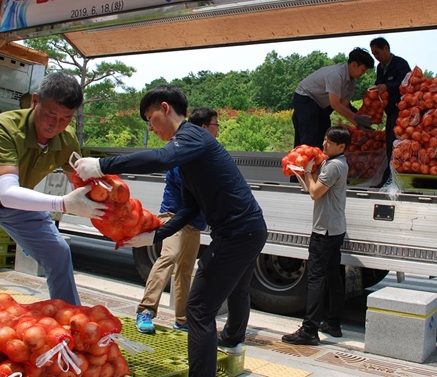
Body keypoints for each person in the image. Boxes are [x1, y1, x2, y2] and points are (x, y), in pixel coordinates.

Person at [74, 86, 267, 377]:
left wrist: (102, 165)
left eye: (150, 118)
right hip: (244, 232)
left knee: (199, 309)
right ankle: (230, 344)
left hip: (238, 234)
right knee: (217, 300)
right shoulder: (188, 156)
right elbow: (189, 209)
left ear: (165, 108)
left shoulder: (191, 137)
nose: (150, 127)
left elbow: (160, 158)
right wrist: (154, 235)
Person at [0, 73, 106, 345]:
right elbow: (7, 192)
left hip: (18, 204)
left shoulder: (66, 139)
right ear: (35, 101)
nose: (56, 125)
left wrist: (116, 216)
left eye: (66, 119)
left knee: (59, 253)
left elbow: (84, 181)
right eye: (51, 114)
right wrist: (63, 204)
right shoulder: (5, 127)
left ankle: (75, 332)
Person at [136, 107, 219, 335]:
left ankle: (182, 319)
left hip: (194, 221)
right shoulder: (186, 150)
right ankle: (145, 310)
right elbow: (192, 190)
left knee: (185, 269)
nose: (218, 130)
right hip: (174, 215)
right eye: (216, 125)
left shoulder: (206, 151)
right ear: (204, 127)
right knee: (169, 257)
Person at [282, 125, 351, 345]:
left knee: (315, 278)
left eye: (329, 142)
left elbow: (314, 193)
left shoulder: (332, 167)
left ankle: (309, 330)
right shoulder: (337, 163)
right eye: (325, 140)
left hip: (324, 230)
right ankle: (333, 323)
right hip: (336, 228)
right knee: (333, 276)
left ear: (341, 146)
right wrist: (303, 173)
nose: (324, 144)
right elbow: (312, 189)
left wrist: (309, 171)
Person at [292, 47, 375, 150]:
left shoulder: (352, 82)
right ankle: (305, 162)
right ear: (354, 65)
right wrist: (356, 118)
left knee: (324, 134)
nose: (363, 74)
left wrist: (358, 124)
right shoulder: (335, 75)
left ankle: (319, 161)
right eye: (363, 70)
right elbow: (335, 105)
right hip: (305, 98)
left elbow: (344, 106)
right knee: (310, 137)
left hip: (322, 104)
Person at [369, 37, 411, 185]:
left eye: (377, 52)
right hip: (389, 111)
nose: (376, 56)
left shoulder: (401, 64)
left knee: (397, 144)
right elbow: (379, 84)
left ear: (386, 48)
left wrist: (388, 86)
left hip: (402, 113)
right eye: (374, 54)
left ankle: (395, 179)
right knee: (389, 144)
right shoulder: (380, 68)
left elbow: (406, 83)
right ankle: (388, 178)